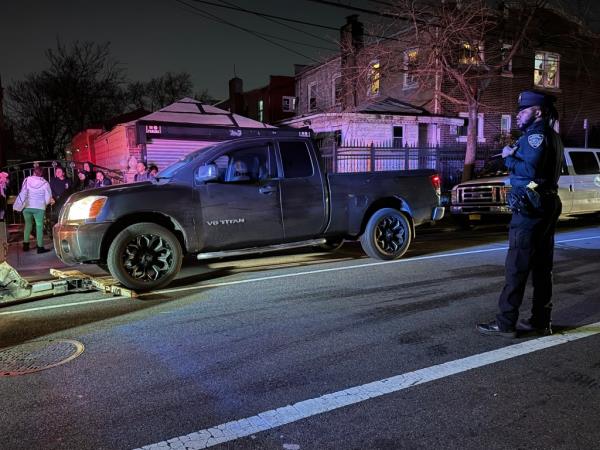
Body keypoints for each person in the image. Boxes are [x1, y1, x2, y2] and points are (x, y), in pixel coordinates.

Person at [477, 90, 563, 338]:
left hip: (531, 207)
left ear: (538, 111)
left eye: (523, 111)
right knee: (542, 266)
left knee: (516, 265)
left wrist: (508, 158)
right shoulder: (553, 136)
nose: (518, 116)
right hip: (546, 203)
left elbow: (530, 169)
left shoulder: (535, 136)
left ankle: (505, 323)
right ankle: (540, 320)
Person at [18, 166, 53, 253]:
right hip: (39, 207)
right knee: (39, 227)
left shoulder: (27, 180)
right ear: (42, 173)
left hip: (27, 206)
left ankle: (25, 246)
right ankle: (40, 248)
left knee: (28, 225)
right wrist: (44, 203)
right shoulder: (45, 183)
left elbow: (23, 191)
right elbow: (48, 197)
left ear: (33, 172)